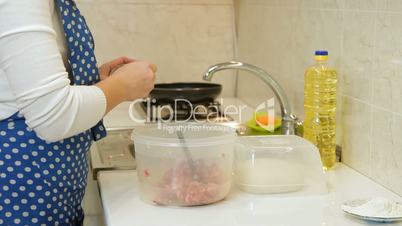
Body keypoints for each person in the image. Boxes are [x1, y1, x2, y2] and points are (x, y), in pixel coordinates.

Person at [0, 0, 156, 225]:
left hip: (47, 190)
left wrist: (94, 82)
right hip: (19, 188)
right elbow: (53, 116)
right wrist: (123, 86)